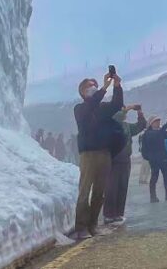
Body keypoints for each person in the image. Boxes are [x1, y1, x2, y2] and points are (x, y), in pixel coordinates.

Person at [72, 72, 126, 239]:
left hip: (104, 153)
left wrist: (117, 86)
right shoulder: (80, 109)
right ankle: (81, 227)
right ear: (82, 92)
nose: (93, 87)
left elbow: (117, 104)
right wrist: (103, 88)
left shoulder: (102, 108)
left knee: (100, 192)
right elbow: (90, 106)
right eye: (90, 86)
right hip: (88, 154)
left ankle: (93, 224)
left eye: (95, 85)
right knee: (85, 190)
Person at [103, 104, 146, 224]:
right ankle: (108, 214)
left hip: (125, 160)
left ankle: (118, 213)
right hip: (113, 160)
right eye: (122, 110)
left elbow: (140, 126)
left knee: (122, 187)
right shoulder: (110, 124)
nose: (124, 113)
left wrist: (140, 113)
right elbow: (116, 118)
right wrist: (128, 108)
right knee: (111, 188)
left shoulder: (127, 126)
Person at [141, 116, 167, 202]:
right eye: (156, 121)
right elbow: (144, 148)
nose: (158, 122)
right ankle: (153, 197)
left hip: (163, 158)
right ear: (151, 123)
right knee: (154, 177)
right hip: (154, 159)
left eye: (159, 121)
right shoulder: (148, 133)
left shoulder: (160, 132)